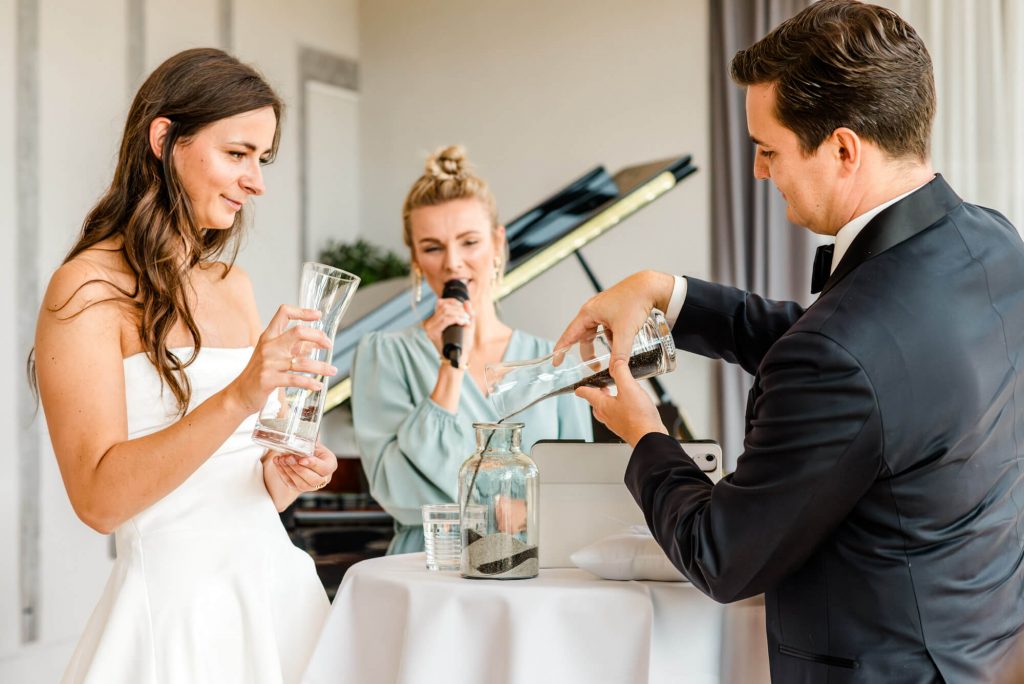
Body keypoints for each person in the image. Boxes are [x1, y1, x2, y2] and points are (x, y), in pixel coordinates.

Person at [555, 1, 1024, 681]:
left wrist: (646, 436)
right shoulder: (991, 243)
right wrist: (668, 292)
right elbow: (875, 371)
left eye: (767, 149)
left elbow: (722, 557)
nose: (757, 171)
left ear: (841, 148)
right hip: (982, 647)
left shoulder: (842, 352)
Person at [32, 48, 338, 683]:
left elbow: (236, 486)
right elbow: (98, 502)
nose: (257, 182)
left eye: (263, 158)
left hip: (274, 596)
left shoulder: (235, 286)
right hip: (174, 620)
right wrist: (239, 398)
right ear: (165, 139)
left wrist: (285, 476)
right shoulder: (85, 289)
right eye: (238, 154)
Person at [352, 145, 592, 554]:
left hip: (538, 562)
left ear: (497, 243)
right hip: (430, 564)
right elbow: (397, 490)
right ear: (415, 258)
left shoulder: (554, 359)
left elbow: (577, 484)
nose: (454, 263)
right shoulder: (385, 355)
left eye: (469, 242)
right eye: (432, 247)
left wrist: (516, 509)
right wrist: (451, 369)